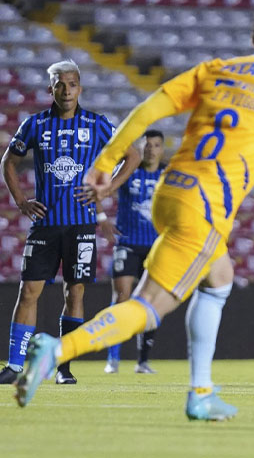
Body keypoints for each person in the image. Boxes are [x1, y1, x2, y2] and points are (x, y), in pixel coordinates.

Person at [15, 3, 254, 421]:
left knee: (218, 278)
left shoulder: (216, 69)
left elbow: (149, 110)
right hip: (206, 208)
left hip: (171, 190)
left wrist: (104, 164)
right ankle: (58, 349)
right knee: (147, 307)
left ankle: (201, 392)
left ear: (253, 41)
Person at [0, 60, 138, 385]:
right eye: (60, 84)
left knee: (74, 293)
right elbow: (8, 160)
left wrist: (109, 188)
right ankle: (15, 366)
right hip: (45, 226)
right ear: (50, 89)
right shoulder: (34, 125)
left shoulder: (97, 124)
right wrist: (21, 201)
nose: (66, 90)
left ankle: (63, 367)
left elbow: (131, 154)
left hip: (81, 226)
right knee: (29, 291)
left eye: (72, 84)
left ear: (80, 88)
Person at [98, 130, 167, 375]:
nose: (150, 149)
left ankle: (143, 361)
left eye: (156, 145)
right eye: (146, 145)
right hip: (127, 243)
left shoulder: (167, 175)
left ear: (162, 149)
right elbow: (100, 186)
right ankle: (113, 359)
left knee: (150, 303)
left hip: (156, 247)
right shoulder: (129, 170)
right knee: (122, 298)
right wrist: (102, 217)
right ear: (140, 148)